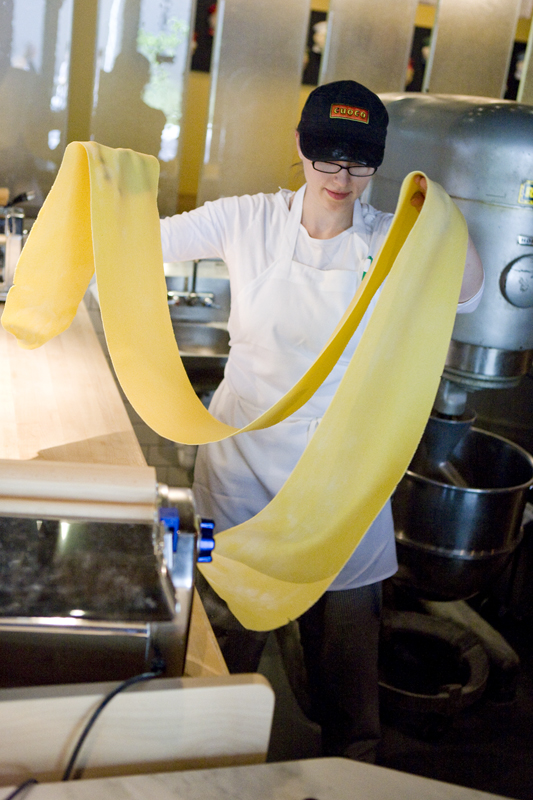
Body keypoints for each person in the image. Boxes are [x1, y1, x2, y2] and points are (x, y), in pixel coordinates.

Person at [160, 80, 484, 762]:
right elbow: (145, 242)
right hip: (239, 477)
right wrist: (106, 186)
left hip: (341, 486)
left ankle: (349, 775)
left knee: (347, 662)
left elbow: (469, 292)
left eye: (359, 162)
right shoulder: (247, 220)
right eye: (326, 158)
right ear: (300, 148)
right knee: (219, 641)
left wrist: (442, 217)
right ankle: (201, 763)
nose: (341, 178)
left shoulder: (390, 238)